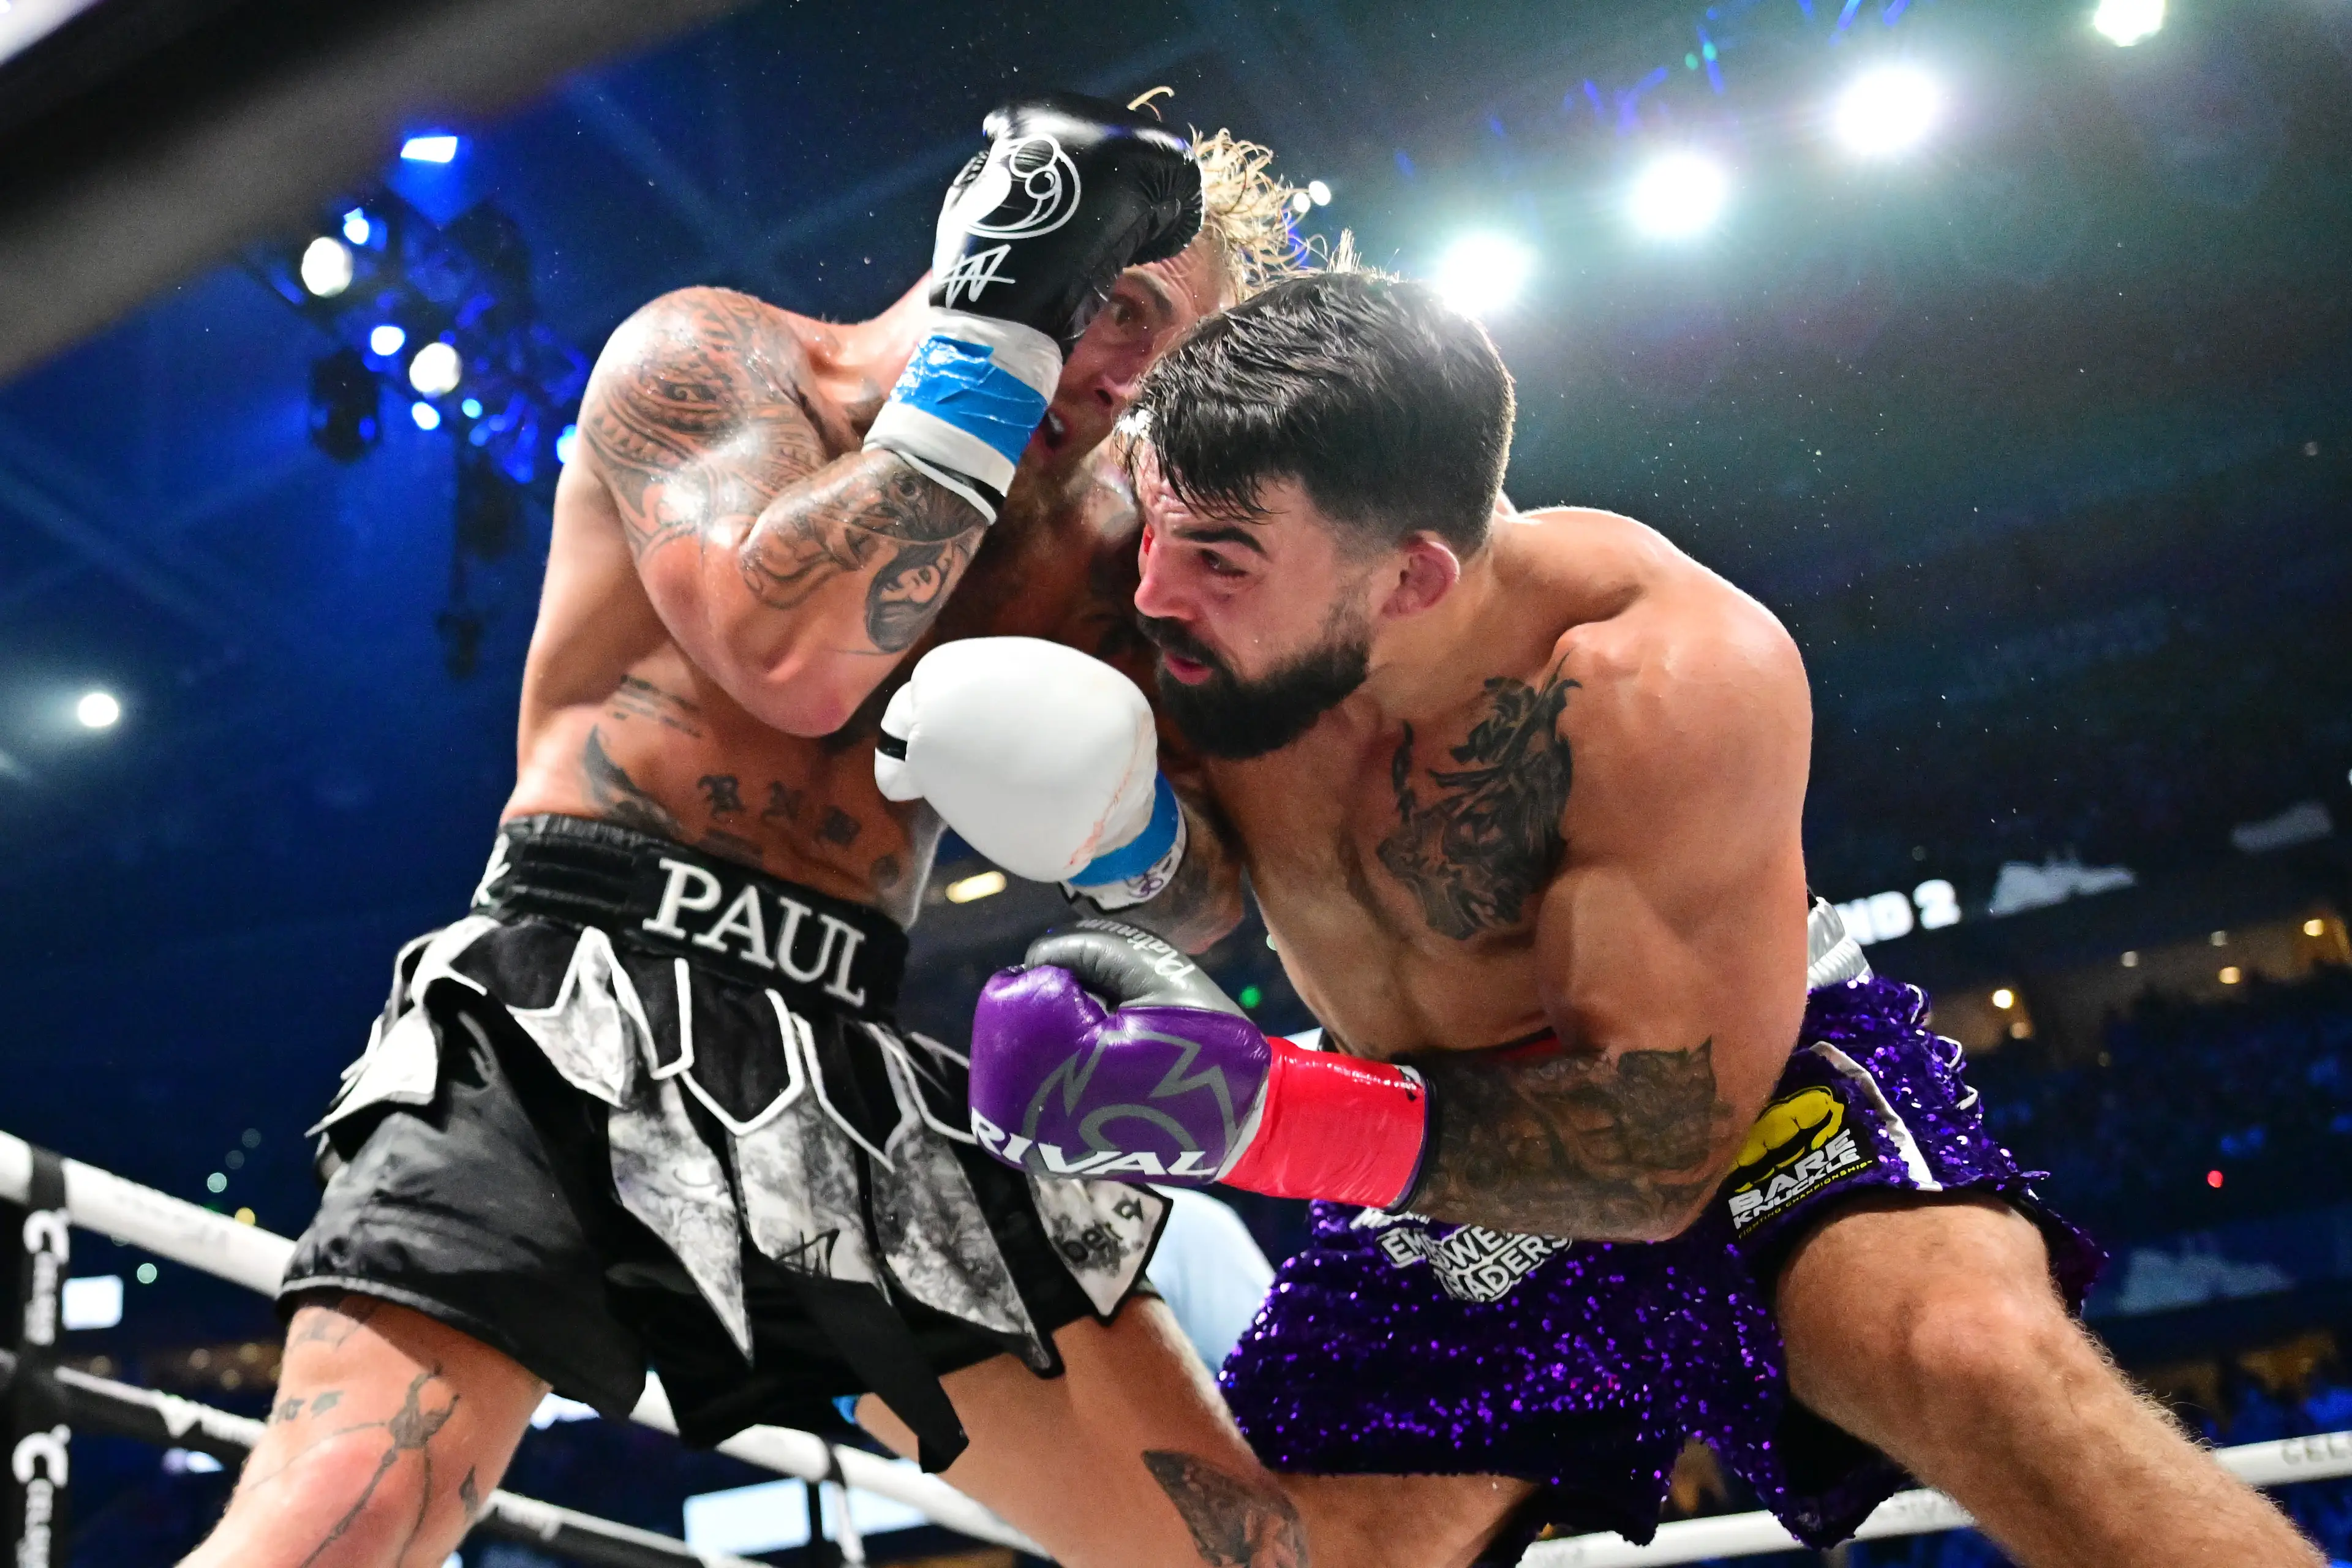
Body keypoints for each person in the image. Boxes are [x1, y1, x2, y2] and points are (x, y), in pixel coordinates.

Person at [889, 270, 2328, 1566]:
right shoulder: (1207, 617)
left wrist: (1255, 1114)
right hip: (1429, 1149)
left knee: (1976, 1356)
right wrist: (1129, 837)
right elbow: (1219, 894)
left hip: (1724, 1089)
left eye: (1219, 558)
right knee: (1281, 1556)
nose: (1154, 592)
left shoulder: (1660, 675)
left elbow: (1655, 1151)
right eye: (1160, 528)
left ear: (1410, 577)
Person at [181, 96, 1344, 1568]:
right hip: (574, 991)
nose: (1121, 376)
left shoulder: (1107, 554)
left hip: (846, 1051)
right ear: (1005, 237)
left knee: (1239, 1550)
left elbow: (1210, 910)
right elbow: (791, 654)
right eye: (1114, 304)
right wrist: (1000, 339)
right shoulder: (717, 359)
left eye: (1164, 358)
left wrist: (1121, 829)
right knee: (352, 1515)